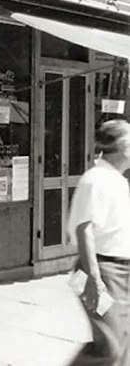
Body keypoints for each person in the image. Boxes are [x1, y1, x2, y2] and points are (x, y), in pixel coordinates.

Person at [68, 119, 130, 365]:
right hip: (99, 272)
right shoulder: (96, 179)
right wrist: (94, 280)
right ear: (123, 146)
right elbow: (84, 230)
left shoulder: (118, 180)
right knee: (111, 346)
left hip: (120, 272)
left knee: (124, 342)